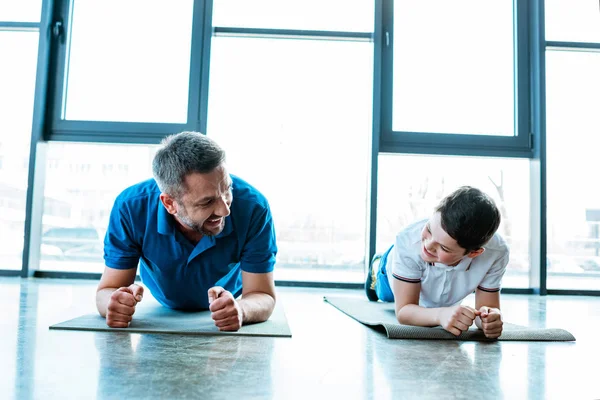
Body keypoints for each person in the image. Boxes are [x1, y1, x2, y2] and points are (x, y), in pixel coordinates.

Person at [96, 131, 277, 331]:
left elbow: (263, 295)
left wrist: (241, 310)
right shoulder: (130, 208)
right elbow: (107, 289)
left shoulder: (254, 207)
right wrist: (114, 304)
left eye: (227, 190)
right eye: (207, 202)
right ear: (169, 203)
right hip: (163, 307)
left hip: (232, 300)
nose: (225, 210)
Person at [366, 186, 508, 338]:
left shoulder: (496, 253)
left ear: (474, 253)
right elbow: (403, 312)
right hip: (389, 276)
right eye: (429, 229)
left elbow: (486, 310)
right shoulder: (408, 241)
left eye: (444, 248)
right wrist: (440, 315)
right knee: (382, 294)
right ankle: (378, 264)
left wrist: (490, 319)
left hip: (438, 289)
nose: (427, 246)